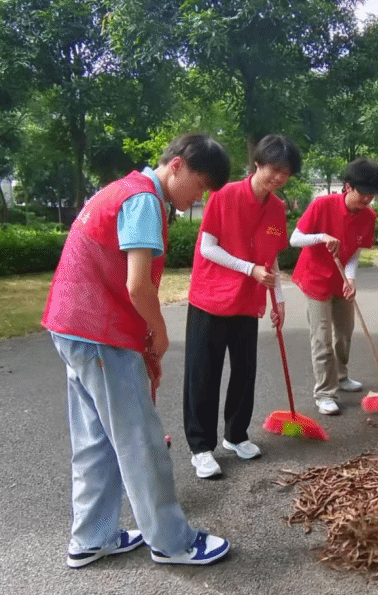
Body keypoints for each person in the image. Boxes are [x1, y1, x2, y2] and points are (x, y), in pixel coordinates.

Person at [42, 133, 232, 568]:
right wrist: (159, 333)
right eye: (200, 186)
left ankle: (92, 537)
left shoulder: (121, 188)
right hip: (100, 332)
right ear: (177, 165)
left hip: (71, 327)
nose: (199, 198)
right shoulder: (144, 199)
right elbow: (137, 284)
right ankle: (173, 542)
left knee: (96, 441)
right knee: (140, 442)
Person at [184, 134, 301, 478]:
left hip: (248, 301)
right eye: (274, 169)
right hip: (211, 297)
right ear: (257, 164)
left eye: (286, 173)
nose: (279, 178)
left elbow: (271, 257)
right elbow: (207, 247)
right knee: (204, 375)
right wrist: (249, 269)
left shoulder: (276, 208)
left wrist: (279, 300)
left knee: (244, 372)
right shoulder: (224, 194)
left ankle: (236, 435)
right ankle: (201, 447)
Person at [290, 158, 378, 416]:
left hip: (341, 280)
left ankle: (341, 376)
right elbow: (295, 239)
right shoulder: (322, 205)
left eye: (372, 194)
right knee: (322, 337)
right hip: (315, 278)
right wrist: (321, 237)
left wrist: (350, 278)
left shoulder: (369, 216)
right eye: (363, 192)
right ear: (348, 187)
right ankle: (324, 393)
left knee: (344, 332)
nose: (367, 199)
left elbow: (354, 251)